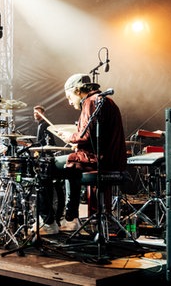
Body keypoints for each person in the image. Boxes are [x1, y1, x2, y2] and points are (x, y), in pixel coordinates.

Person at [54, 73, 127, 231]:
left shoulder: (90, 102)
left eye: (69, 97)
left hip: (99, 160)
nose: (69, 101)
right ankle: (70, 217)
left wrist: (70, 137)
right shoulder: (106, 101)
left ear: (78, 91)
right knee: (70, 166)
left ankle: (51, 221)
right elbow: (97, 136)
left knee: (48, 166)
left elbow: (85, 135)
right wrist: (79, 145)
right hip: (111, 159)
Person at [31, 105, 64, 235]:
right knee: (49, 188)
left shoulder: (44, 125)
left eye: (38, 112)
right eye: (34, 112)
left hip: (47, 160)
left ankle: (48, 221)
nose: (36, 114)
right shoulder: (41, 125)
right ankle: (53, 220)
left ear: (44, 113)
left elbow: (46, 144)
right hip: (47, 158)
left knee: (45, 186)